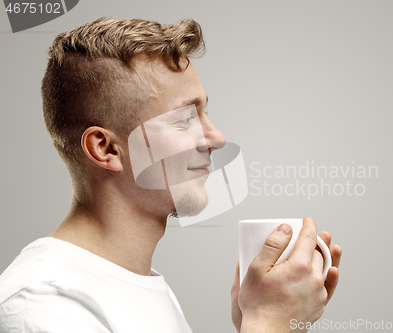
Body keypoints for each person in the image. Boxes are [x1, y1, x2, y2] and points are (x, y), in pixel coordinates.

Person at [0, 17, 342, 332]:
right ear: (105, 149)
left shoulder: (139, 284)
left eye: (204, 113)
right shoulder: (42, 302)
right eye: (183, 119)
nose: (217, 138)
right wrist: (269, 323)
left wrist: (258, 319)